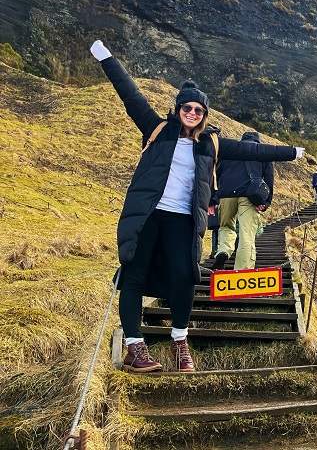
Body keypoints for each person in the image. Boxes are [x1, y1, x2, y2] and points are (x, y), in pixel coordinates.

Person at [89, 40, 304, 374]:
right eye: (187, 108)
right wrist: (107, 58)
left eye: (198, 110)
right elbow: (130, 95)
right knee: (133, 274)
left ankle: (180, 341)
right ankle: (134, 347)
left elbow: (253, 152)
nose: (192, 113)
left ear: (204, 116)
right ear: (177, 110)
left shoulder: (210, 143)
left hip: (183, 220)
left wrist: (290, 152)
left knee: (186, 277)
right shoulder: (156, 129)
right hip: (148, 215)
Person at [211, 131, 273, 271]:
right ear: (258, 141)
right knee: (247, 234)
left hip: (226, 194)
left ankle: (223, 251)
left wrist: (214, 197)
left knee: (226, 226)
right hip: (248, 196)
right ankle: (242, 271)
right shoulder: (262, 153)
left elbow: (217, 174)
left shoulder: (231, 150)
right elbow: (269, 180)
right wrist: (266, 202)